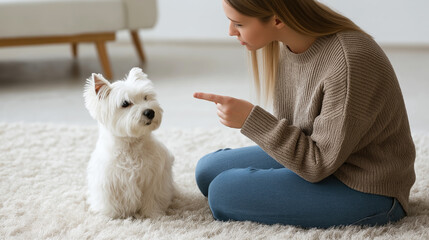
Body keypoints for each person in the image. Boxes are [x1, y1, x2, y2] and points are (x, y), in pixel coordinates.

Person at [193, 0, 416, 228]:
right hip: (324, 160)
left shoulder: (348, 61)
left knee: (223, 192)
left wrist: (252, 119)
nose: (230, 31)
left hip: (367, 188)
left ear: (277, 19)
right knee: (207, 171)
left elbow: (317, 164)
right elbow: (301, 133)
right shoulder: (289, 43)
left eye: (238, 23)